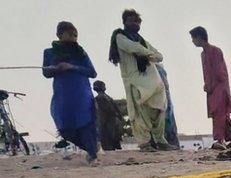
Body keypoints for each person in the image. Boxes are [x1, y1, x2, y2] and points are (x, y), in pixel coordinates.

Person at [109, 9, 169, 150]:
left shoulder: (142, 41)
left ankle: (160, 140)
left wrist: (149, 54)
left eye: (137, 21)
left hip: (152, 80)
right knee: (140, 112)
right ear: (125, 22)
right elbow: (134, 48)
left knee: (160, 107)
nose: (135, 23)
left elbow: (159, 55)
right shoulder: (120, 37)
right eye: (132, 20)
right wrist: (150, 55)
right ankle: (145, 143)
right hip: (134, 80)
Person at [43, 21, 99, 164]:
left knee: (85, 124)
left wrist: (71, 67)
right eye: (70, 34)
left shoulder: (80, 52)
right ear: (59, 35)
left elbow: (92, 72)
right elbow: (45, 72)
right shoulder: (49, 52)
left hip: (82, 95)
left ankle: (93, 155)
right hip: (62, 96)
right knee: (65, 129)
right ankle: (91, 148)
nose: (74, 37)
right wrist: (55, 68)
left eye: (76, 35)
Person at [190, 26, 231, 149]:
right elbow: (207, 72)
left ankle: (219, 139)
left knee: (219, 113)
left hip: (219, 87)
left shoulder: (215, 51)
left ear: (200, 37)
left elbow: (220, 72)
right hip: (211, 88)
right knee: (222, 114)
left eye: (193, 38)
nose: (192, 41)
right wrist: (207, 85)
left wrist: (212, 85)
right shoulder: (203, 54)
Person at [93, 80, 124, 151]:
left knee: (108, 143)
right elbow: (110, 110)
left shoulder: (100, 98)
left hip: (107, 123)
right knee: (109, 142)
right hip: (107, 123)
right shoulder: (102, 98)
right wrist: (118, 116)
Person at [156, 64, 180, 148]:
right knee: (168, 120)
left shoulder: (157, 70)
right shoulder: (158, 70)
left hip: (162, 98)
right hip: (162, 98)